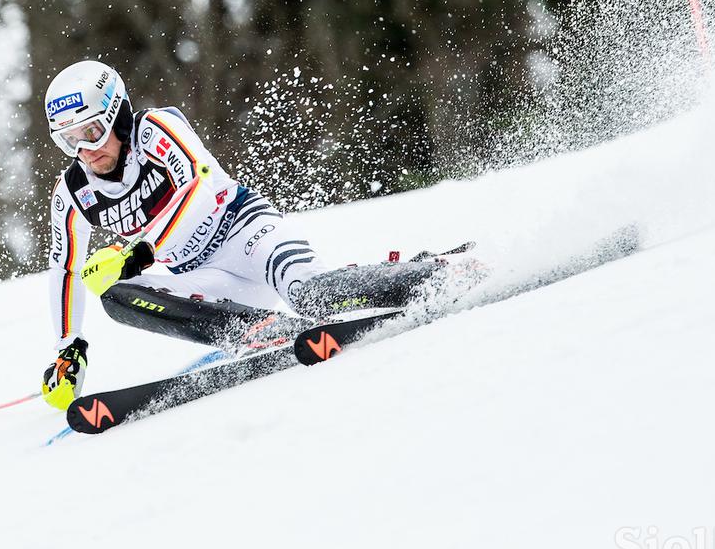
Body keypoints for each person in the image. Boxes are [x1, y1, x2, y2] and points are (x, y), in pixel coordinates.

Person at [41, 60, 456, 411]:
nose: (86, 151)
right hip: (206, 279)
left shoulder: (155, 129)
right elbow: (65, 268)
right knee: (115, 294)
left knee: (312, 295)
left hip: (248, 234)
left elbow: (198, 184)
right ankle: (249, 330)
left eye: (92, 132)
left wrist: (142, 251)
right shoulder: (73, 192)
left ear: (118, 115)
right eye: (69, 140)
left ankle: (433, 271)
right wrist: (68, 348)